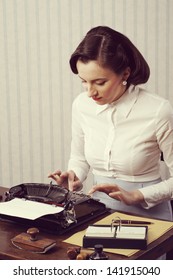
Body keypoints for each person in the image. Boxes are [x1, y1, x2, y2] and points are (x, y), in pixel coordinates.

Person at [48, 26, 173, 221]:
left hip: (151, 215)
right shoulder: (82, 105)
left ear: (125, 74)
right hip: (98, 211)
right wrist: (74, 176)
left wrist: (136, 196)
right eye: (83, 81)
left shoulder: (158, 110)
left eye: (99, 82)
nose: (90, 92)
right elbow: (79, 158)